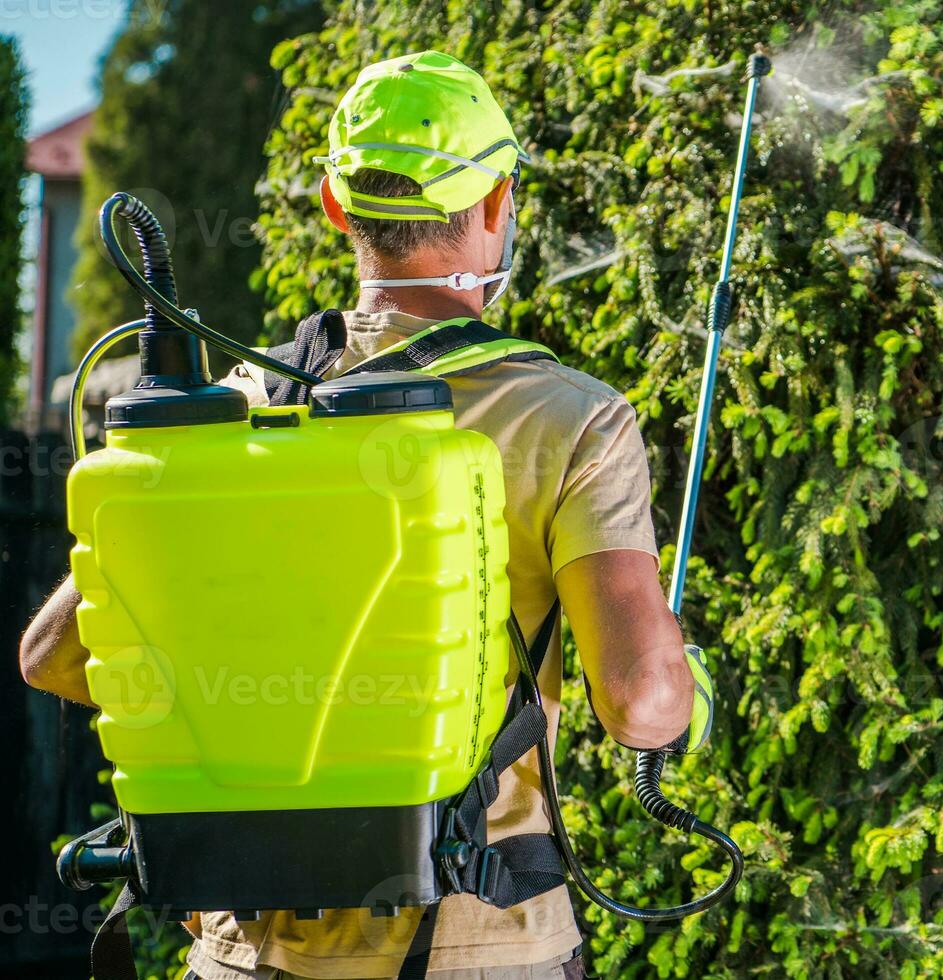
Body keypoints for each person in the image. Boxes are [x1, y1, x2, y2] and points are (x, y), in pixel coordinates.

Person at [18, 50, 704, 980]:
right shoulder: (570, 418)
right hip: (480, 951)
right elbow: (638, 703)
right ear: (497, 206)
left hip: (246, 953)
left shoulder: (240, 404)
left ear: (338, 209)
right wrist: (682, 696)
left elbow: (54, 658)